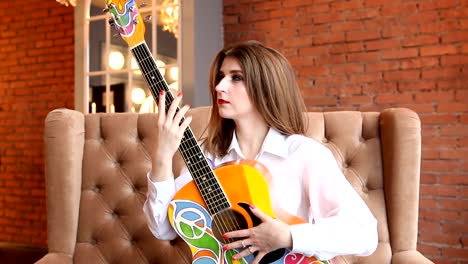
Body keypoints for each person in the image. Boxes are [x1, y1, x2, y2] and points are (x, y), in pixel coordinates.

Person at [143, 40, 378, 264]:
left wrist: (288, 236)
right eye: (221, 77)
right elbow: (163, 229)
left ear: (266, 88)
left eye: (236, 78)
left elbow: (365, 233)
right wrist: (163, 157)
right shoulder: (207, 155)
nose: (219, 87)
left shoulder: (304, 153)